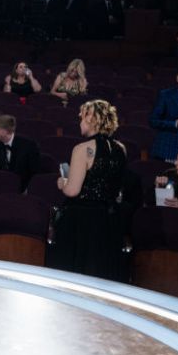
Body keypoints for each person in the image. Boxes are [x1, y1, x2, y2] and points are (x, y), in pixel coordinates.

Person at [49, 100, 127, 280]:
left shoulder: (83, 149)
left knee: (76, 275)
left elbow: (72, 191)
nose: (80, 121)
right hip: (110, 220)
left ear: (92, 118)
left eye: (83, 117)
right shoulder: (121, 149)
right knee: (101, 273)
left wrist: (62, 183)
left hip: (82, 221)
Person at [0, 114, 40, 189]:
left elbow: (35, 173)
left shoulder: (29, 146)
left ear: (3, 132)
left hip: (24, 188)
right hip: (2, 187)